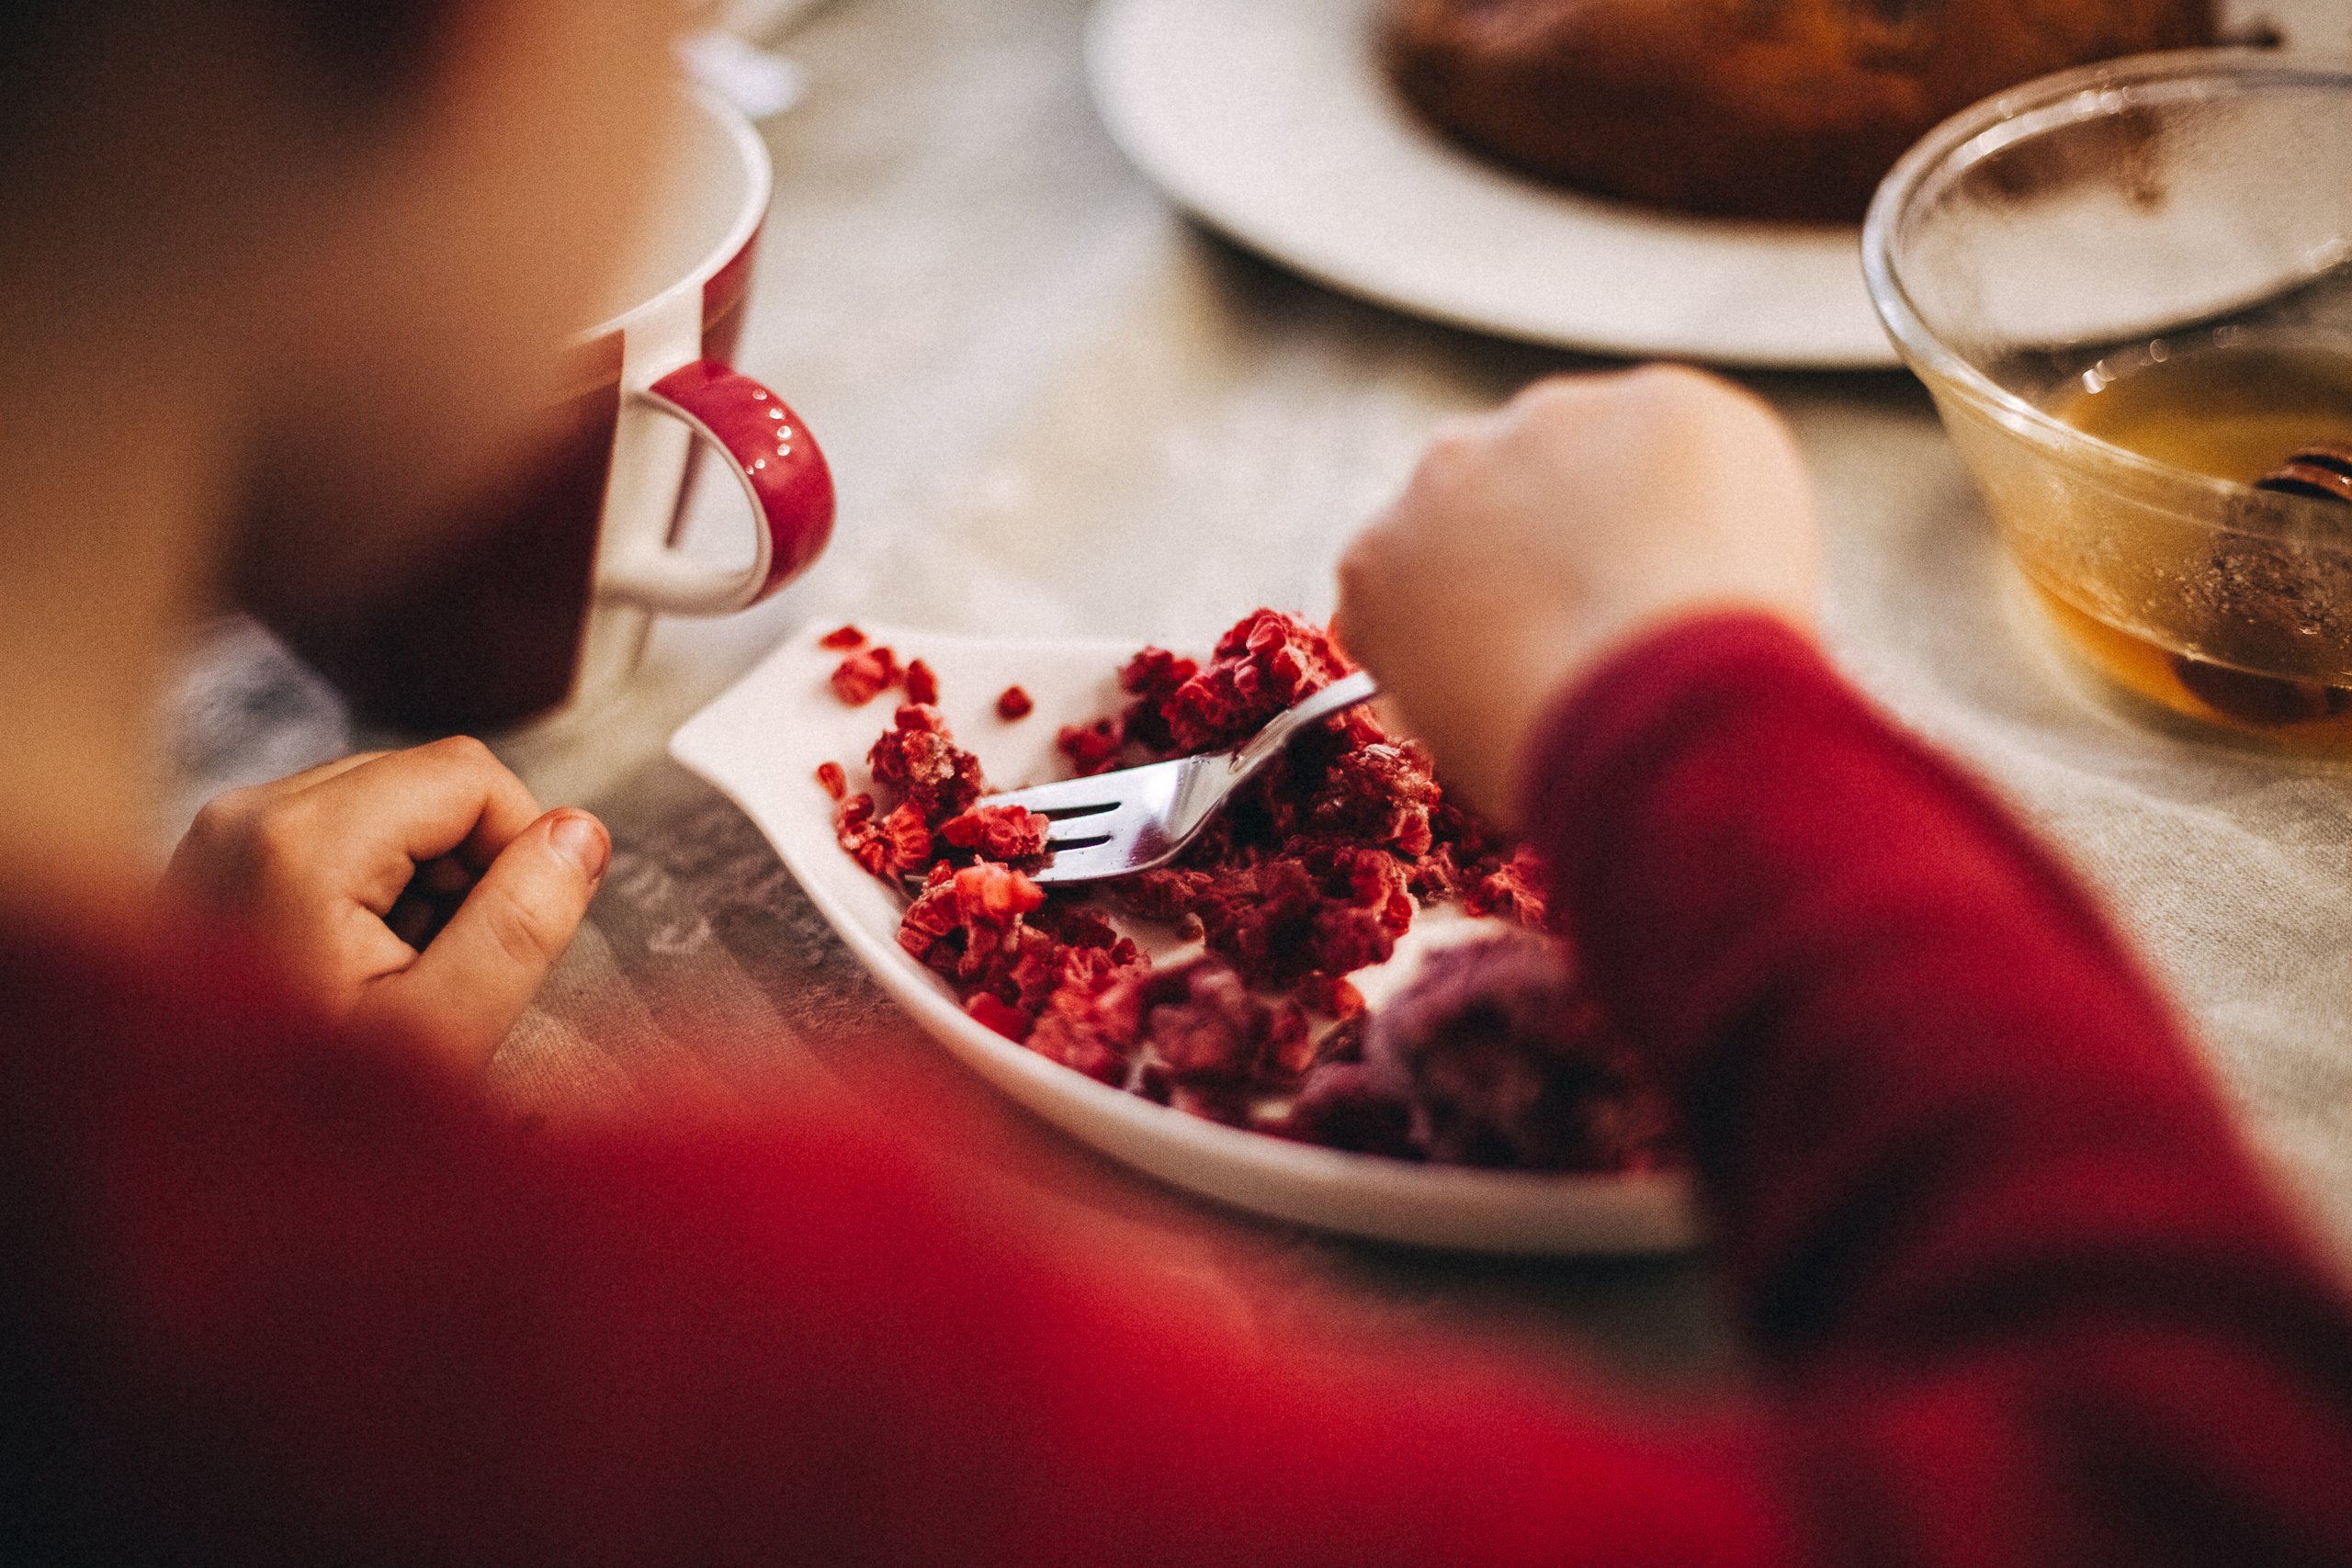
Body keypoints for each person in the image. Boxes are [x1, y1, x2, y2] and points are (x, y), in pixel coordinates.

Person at [5, 1, 2350, 1563]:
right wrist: (1679, 695)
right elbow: (2216, 1470)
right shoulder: (565, 1395)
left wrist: (232, 1111)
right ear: (467, 42)